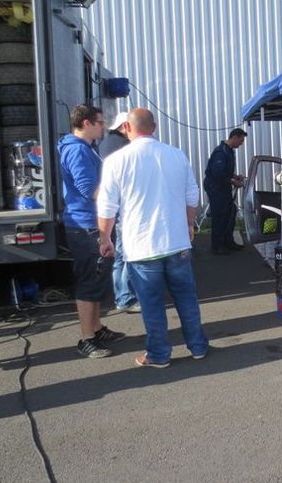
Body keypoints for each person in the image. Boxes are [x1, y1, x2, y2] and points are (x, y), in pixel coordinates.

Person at [97, 108, 209, 368]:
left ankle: (159, 355)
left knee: (152, 304)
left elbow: (106, 206)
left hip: (142, 246)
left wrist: (105, 238)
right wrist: (190, 224)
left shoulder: (117, 160)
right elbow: (192, 195)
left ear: (126, 127)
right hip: (178, 242)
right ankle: (198, 347)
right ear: (154, 126)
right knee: (187, 298)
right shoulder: (176, 155)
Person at [58, 104, 124, 359]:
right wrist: (118, 195)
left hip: (90, 222)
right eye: (99, 122)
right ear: (86, 124)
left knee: (98, 278)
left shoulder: (86, 148)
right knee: (90, 279)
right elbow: (89, 190)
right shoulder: (77, 151)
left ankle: (96, 328)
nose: (103, 126)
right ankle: (87, 339)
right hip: (86, 225)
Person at [98, 111, 139, 313]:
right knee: (128, 254)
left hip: (112, 207)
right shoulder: (123, 146)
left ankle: (120, 295)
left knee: (119, 257)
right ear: (125, 127)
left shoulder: (106, 143)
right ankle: (126, 298)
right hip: (124, 208)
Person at [203, 128, 246, 255]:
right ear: (234, 137)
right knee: (220, 216)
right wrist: (233, 182)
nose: (241, 143)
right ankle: (217, 246)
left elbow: (224, 171)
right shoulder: (220, 152)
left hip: (223, 187)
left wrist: (233, 176)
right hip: (216, 188)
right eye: (241, 140)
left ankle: (228, 241)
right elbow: (217, 173)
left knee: (231, 213)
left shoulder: (229, 151)